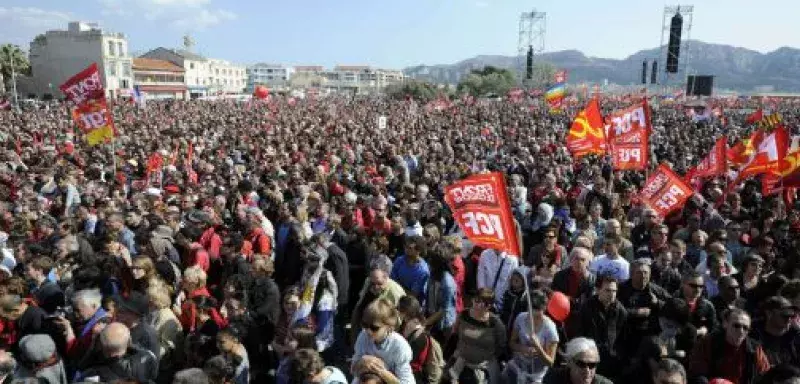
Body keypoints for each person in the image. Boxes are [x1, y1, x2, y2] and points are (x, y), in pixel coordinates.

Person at [689, 308, 771, 384]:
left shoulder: (754, 349)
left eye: (745, 328)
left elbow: (765, 375)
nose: (741, 331)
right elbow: (698, 373)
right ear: (725, 324)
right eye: (736, 326)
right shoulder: (708, 342)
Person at [572, 274, 627, 379]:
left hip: (612, 361)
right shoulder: (587, 308)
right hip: (591, 359)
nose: (612, 294)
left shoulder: (620, 311)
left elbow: (623, 338)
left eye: (614, 291)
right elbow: (579, 334)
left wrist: (619, 355)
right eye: (608, 290)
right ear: (598, 290)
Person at [447, 288, 507, 384]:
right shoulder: (463, 315)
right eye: (477, 301)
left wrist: (484, 357)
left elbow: (501, 345)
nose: (480, 305)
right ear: (472, 299)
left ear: (490, 306)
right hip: (460, 364)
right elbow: (455, 334)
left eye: (485, 303)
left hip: (483, 369)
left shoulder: (496, 323)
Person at [352, 299, 414, 384]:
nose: (368, 331)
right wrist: (362, 361)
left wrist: (381, 372)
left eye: (374, 328)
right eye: (365, 325)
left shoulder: (400, 346)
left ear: (389, 327)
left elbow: (406, 382)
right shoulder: (363, 336)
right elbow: (353, 370)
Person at [503, 289, 559, 384]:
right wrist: (523, 348)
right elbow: (511, 343)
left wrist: (538, 347)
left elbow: (550, 362)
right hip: (517, 367)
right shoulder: (520, 318)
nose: (533, 312)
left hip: (537, 376)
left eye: (537, 309)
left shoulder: (550, 329)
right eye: (531, 308)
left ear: (544, 308)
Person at [78, 322, 159, 383]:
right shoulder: (145, 360)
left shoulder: (91, 374)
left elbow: (81, 367)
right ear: (129, 342)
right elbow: (154, 373)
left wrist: (94, 341)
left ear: (101, 344)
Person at [396, 295, 443, 384]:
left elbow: (408, 359)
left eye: (398, 308)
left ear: (405, 313)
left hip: (411, 375)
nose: (396, 311)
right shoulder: (404, 325)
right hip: (401, 367)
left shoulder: (420, 338)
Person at [749, 296, 799, 366]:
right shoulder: (751, 336)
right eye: (785, 315)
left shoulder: (795, 337)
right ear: (769, 313)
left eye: (792, 315)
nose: (789, 319)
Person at [542, 337, 613, 384]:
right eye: (581, 364)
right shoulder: (551, 380)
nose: (587, 370)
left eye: (592, 365)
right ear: (569, 362)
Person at [112, 291, 160, 359]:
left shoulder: (148, 336)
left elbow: (152, 364)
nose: (117, 312)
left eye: (122, 310)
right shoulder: (121, 327)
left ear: (134, 314)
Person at [391, 235, 430, 300]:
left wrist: (397, 286)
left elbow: (413, 295)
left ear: (419, 250)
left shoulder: (423, 271)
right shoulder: (399, 260)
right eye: (405, 246)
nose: (406, 250)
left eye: (410, 248)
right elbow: (392, 279)